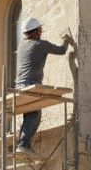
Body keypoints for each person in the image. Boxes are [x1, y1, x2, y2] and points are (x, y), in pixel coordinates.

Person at [14, 17, 73, 156]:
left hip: (19, 85)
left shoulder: (22, 45)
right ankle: (23, 144)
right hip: (31, 84)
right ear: (37, 31)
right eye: (40, 29)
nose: (41, 31)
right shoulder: (40, 45)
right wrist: (67, 39)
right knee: (35, 113)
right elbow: (62, 50)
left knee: (28, 114)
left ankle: (22, 145)